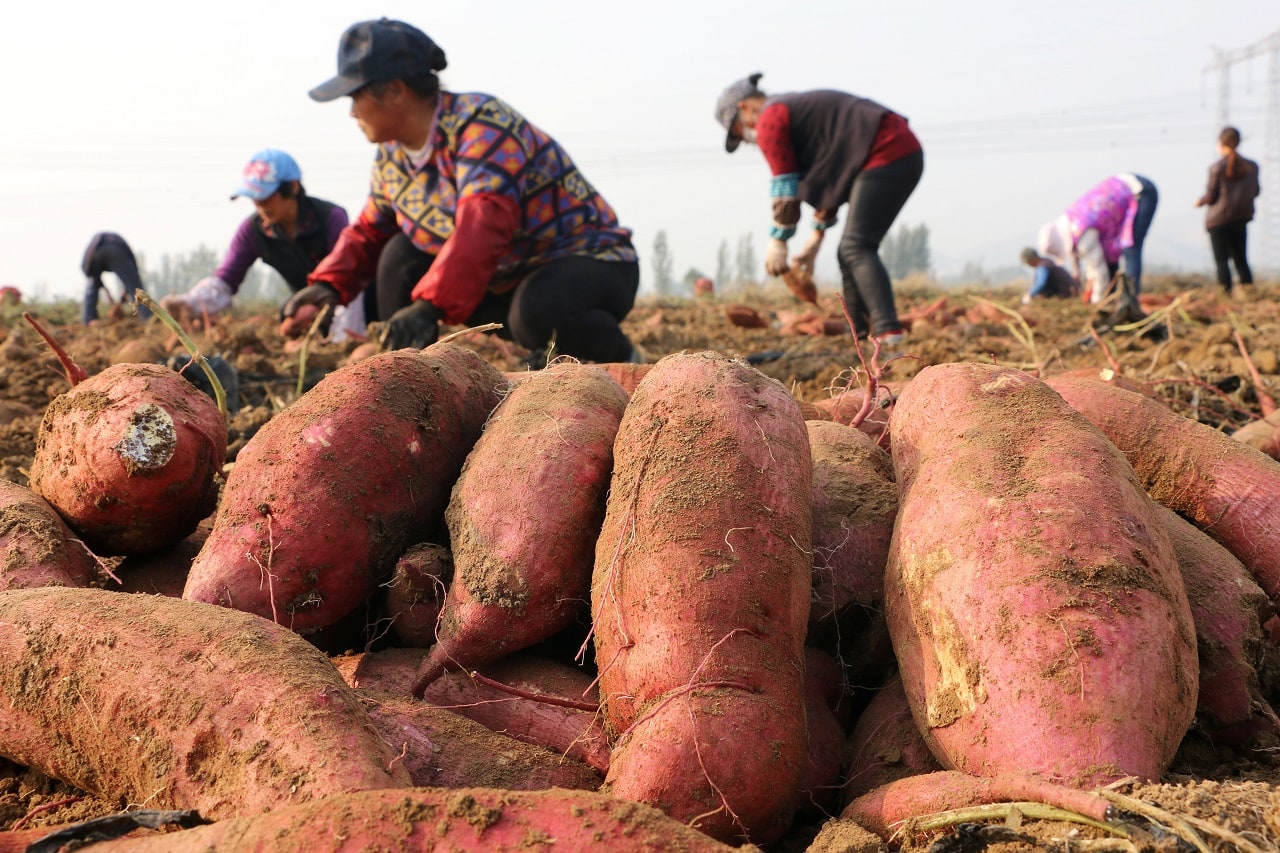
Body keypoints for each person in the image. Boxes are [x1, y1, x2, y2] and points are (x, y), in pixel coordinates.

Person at [285, 18, 642, 365]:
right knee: (400, 252)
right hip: (502, 280)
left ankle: (620, 358)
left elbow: (484, 221)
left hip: (589, 263)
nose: (351, 113)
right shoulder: (392, 156)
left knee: (537, 313)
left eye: (355, 96)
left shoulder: (482, 124)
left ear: (395, 91)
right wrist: (329, 286)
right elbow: (369, 230)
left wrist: (429, 306)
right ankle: (409, 372)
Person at [714, 73, 923, 348]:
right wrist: (815, 241)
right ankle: (859, 336)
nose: (750, 139)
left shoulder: (770, 118)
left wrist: (779, 240)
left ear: (745, 108)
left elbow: (785, 185)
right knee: (849, 251)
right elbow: (831, 178)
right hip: (892, 150)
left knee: (857, 247)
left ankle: (888, 332)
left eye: (741, 132)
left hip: (888, 150)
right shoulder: (788, 111)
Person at [161, 149, 366, 339]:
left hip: (350, 303)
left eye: (266, 196)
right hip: (304, 307)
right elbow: (225, 281)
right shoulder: (253, 230)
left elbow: (348, 279)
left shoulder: (330, 218)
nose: (259, 205)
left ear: (293, 187)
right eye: (254, 198)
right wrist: (189, 303)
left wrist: (344, 340)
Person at [1036, 173, 1158, 303]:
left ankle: (1130, 302)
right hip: (1125, 187)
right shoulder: (1073, 223)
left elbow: (1099, 271)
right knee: (1108, 256)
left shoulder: (1082, 234)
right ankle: (1114, 299)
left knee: (1131, 247)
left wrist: (1097, 302)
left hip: (1139, 191)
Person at [1195, 126, 1261, 295]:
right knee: (1241, 260)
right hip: (1241, 219)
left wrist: (1199, 202)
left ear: (1221, 143)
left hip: (1218, 220)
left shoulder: (1217, 167)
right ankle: (1250, 294)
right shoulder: (1252, 167)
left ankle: (1225, 295)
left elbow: (1211, 196)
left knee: (1221, 262)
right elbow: (1256, 191)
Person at [81, 232, 151, 324]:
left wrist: (109, 292)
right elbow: (133, 276)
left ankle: (88, 320)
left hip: (96, 253)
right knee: (134, 285)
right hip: (115, 250)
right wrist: (123, 292)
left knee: (92, 284)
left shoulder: (92, 250)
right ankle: (148, 318)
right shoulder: (122, 249)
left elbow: (91, 274)